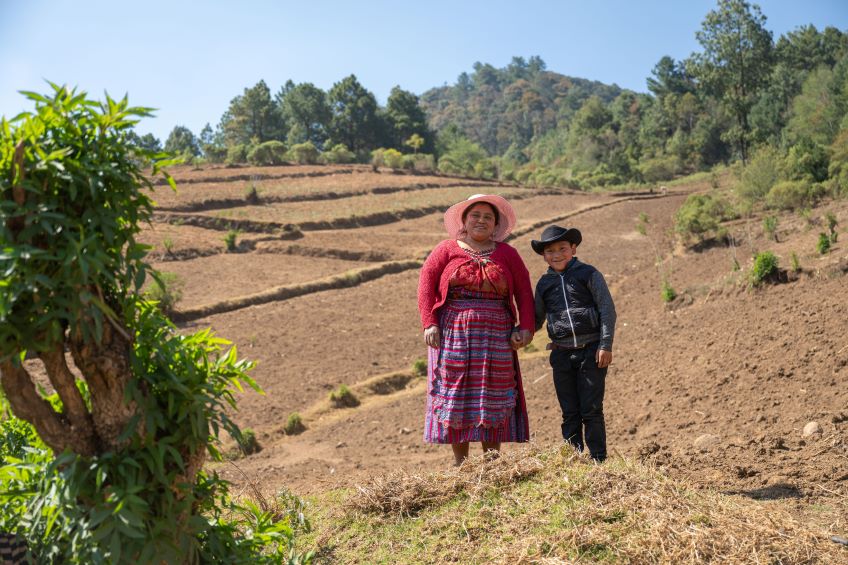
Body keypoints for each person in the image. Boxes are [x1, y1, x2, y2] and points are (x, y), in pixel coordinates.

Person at [418, 194, 535, 466]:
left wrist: (526, 327)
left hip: (497, 335)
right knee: (457, 394)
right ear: (465, 220)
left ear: (495, 225)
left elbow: (524, 292)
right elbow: (425, 286)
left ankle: (492, 464)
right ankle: (461, 464)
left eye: (487, 217)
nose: (481, 221)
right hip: (454, 333)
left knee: (492, 394)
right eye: (475, 215)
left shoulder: (508, 254)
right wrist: (429, 323)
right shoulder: (445, 250)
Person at [531, 225, 616, 462]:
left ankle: (599, 460)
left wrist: (605, 345)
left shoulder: (588, 274)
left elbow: (607, 309)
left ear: (573, 248)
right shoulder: (544, 284)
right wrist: (519, 333)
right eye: (550, 251)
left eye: (562, 248)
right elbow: (536, 318)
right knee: (569, 412)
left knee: (591, 409)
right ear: (543, 255)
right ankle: (573, 460)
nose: (557, 254)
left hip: (591, 351)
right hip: (561, 355)